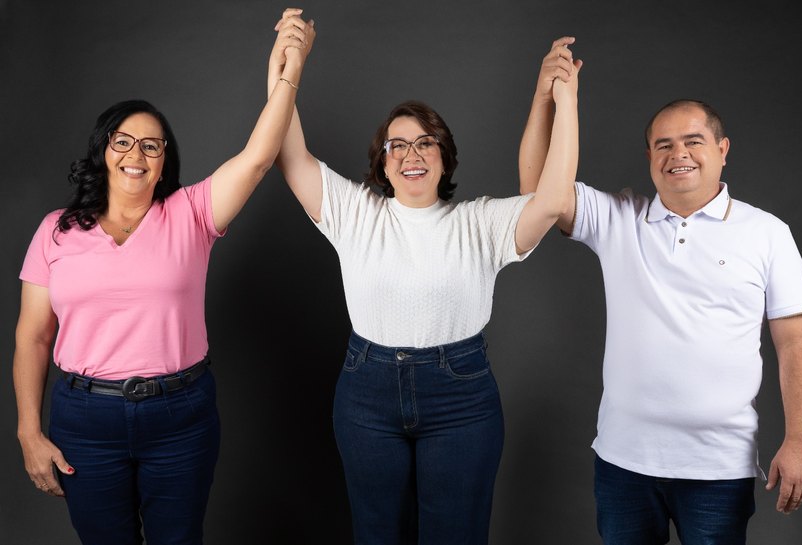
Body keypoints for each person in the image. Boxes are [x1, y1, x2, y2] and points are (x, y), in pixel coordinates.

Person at [268, 9, 581, 545]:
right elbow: (288, 153)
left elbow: (552, 198)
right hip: (365, 393)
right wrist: (286, 65)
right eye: (398, 145)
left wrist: (559, 99)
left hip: (460, 398)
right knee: (377, 535)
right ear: (383, 162)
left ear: (444, 156)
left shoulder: (480, 222)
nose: (412, 154)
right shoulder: (356, 211)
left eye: (425, 142)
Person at [12, 11, 315, 545]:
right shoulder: (54, 232)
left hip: (180, 417)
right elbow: (33, 335)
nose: (136, 154)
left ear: (163, 160)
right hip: (85, 419)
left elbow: (259, 158)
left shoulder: (192, 212)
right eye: (123, 141)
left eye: (151, 145)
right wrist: (28, 430)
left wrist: (287, 68)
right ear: (103, 151)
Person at [519, 38, 802, 545]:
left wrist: (799, 441)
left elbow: (794, 344)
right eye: (664, 144)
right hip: (623, 463)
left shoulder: (768, 232)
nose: (678, 153)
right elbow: (537, 193)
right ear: (651, 157)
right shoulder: (619, 218)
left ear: (722, 150)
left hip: (718, 470)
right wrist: (548, 98)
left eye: (693, 141)